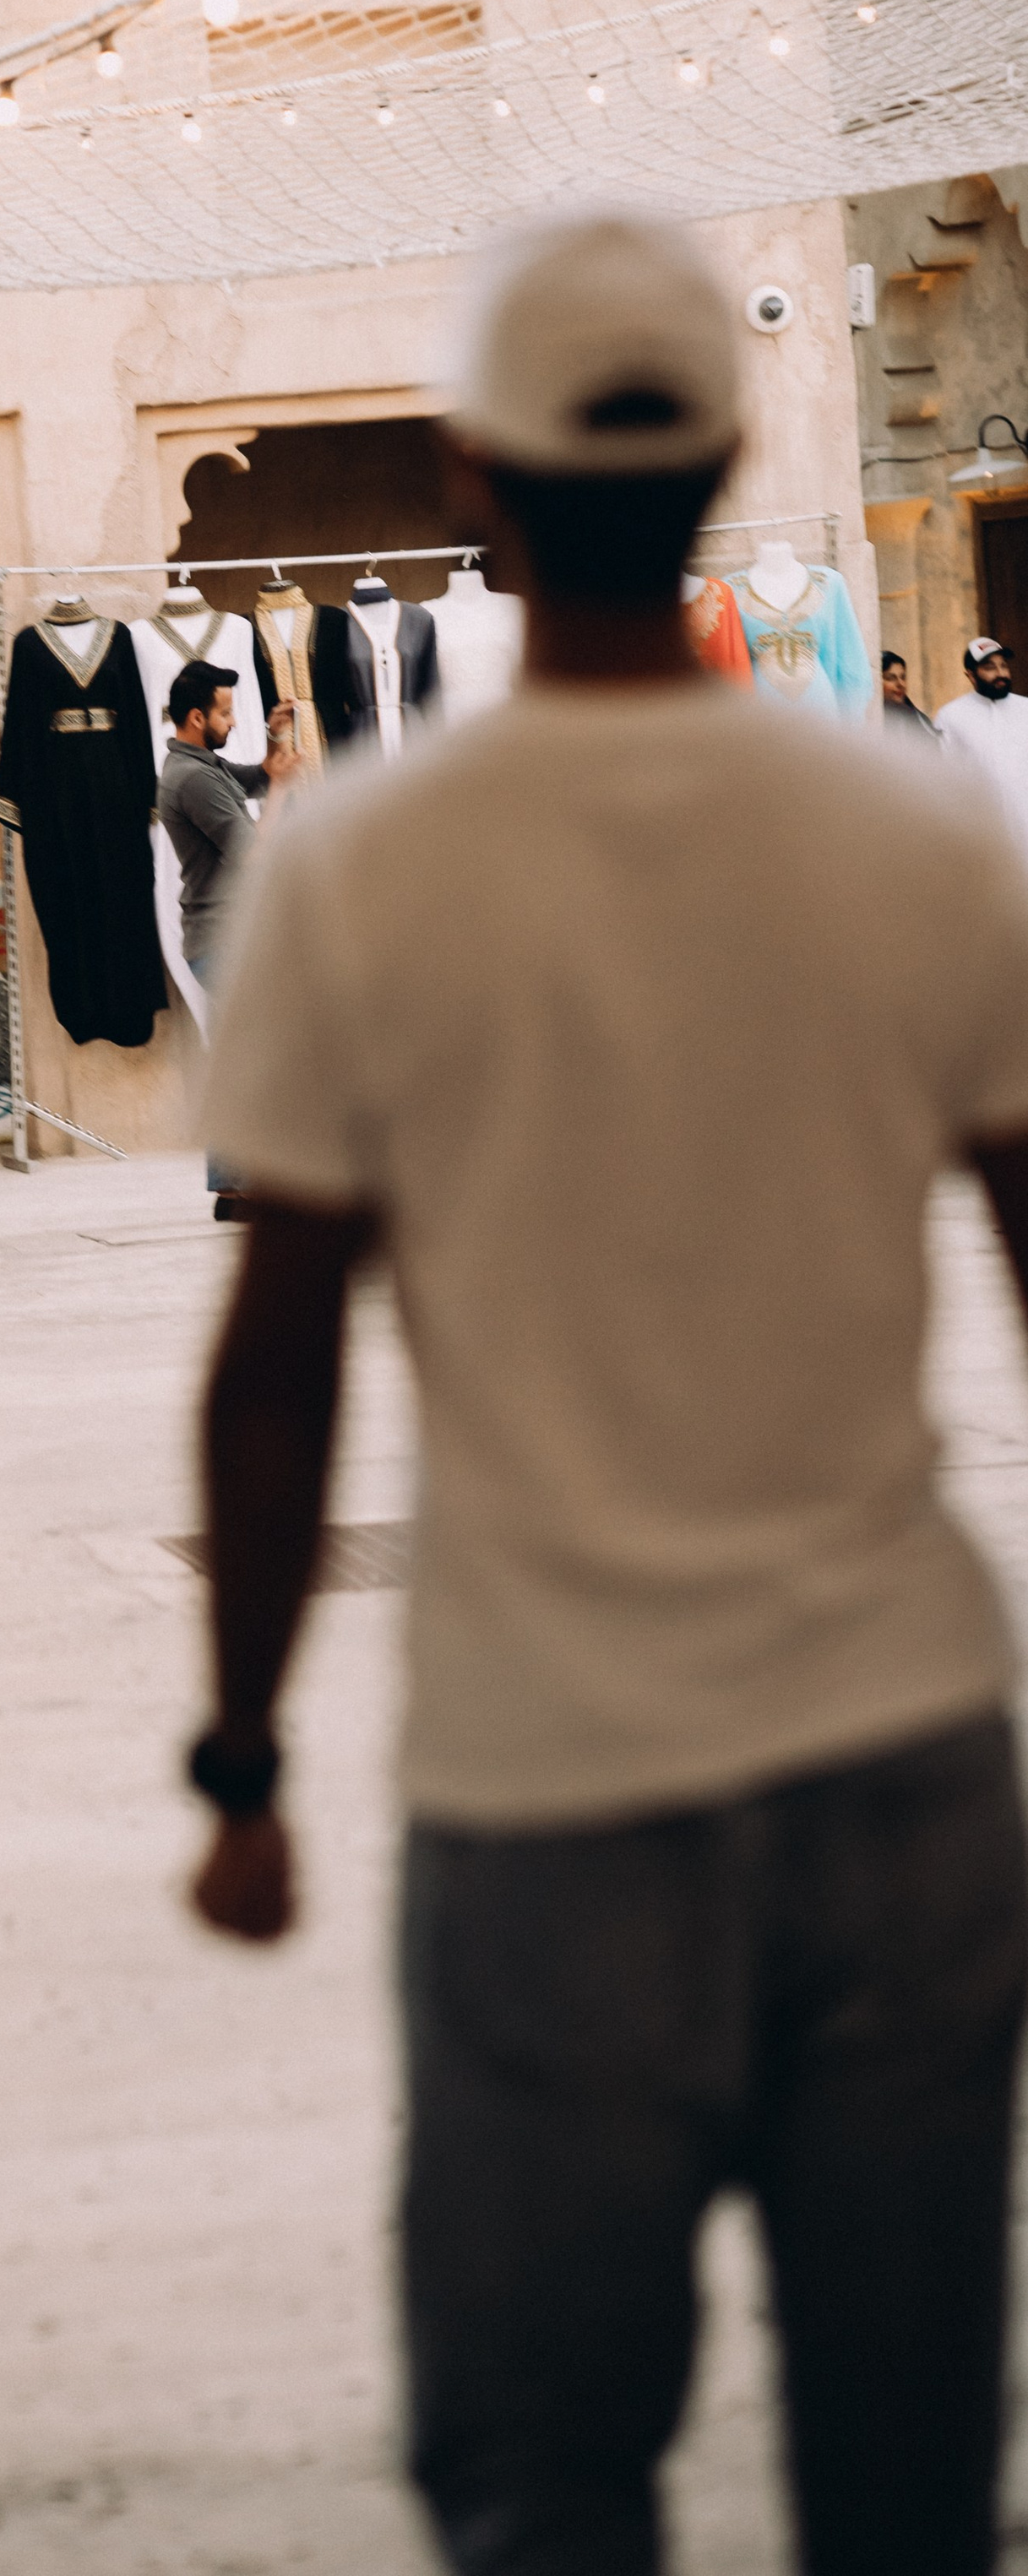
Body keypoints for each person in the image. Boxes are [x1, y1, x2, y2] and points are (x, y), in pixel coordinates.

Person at [187, 210, 1028, 2576]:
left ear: (472, 473)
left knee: (543, 2475)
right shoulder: (915, 837)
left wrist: (241, 1758)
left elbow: (275, 1371)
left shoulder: (357, 870)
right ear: (729, 457)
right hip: (899, 1760)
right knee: (905, 2474)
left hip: (545, 1788)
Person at [155, 659, 296, 1223]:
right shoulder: (191, 779)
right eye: (226, 713)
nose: (233, 722)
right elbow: (252, 854)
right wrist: (281, 789)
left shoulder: (201, 765)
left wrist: (276, 740)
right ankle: (248, 1185)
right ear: (197, 717)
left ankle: (233, 1189)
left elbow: (253, 776)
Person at [938, 635, 1028, 859]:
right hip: (981, 835)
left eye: (1003, 665)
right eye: (990, 667)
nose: (1001, 673)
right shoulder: (951, 716)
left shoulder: (1025, 710)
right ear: (970, 675)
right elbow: (943, 776)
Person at [879, 648, 939, 737]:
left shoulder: (917, 720)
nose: (901, 684)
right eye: (891, 678)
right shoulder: (868, 716)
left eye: (903, 677)